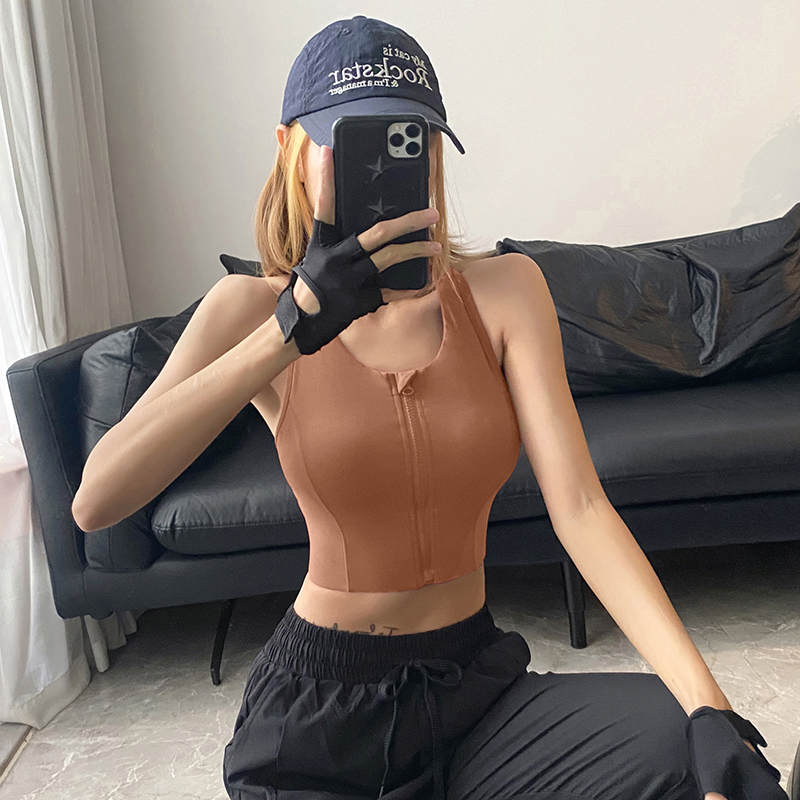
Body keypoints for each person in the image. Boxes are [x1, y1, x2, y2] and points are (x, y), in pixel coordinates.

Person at [69, 13, 789, 800]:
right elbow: (98, 500)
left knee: (697, 758)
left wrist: (708, 707)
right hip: (319, 719)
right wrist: (288, 331)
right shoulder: (246, 311)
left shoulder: (508, 292)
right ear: (290, 150)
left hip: (474, 689)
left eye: (408, 141)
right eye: (351, 142)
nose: (383, 166)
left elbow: (581, 509)